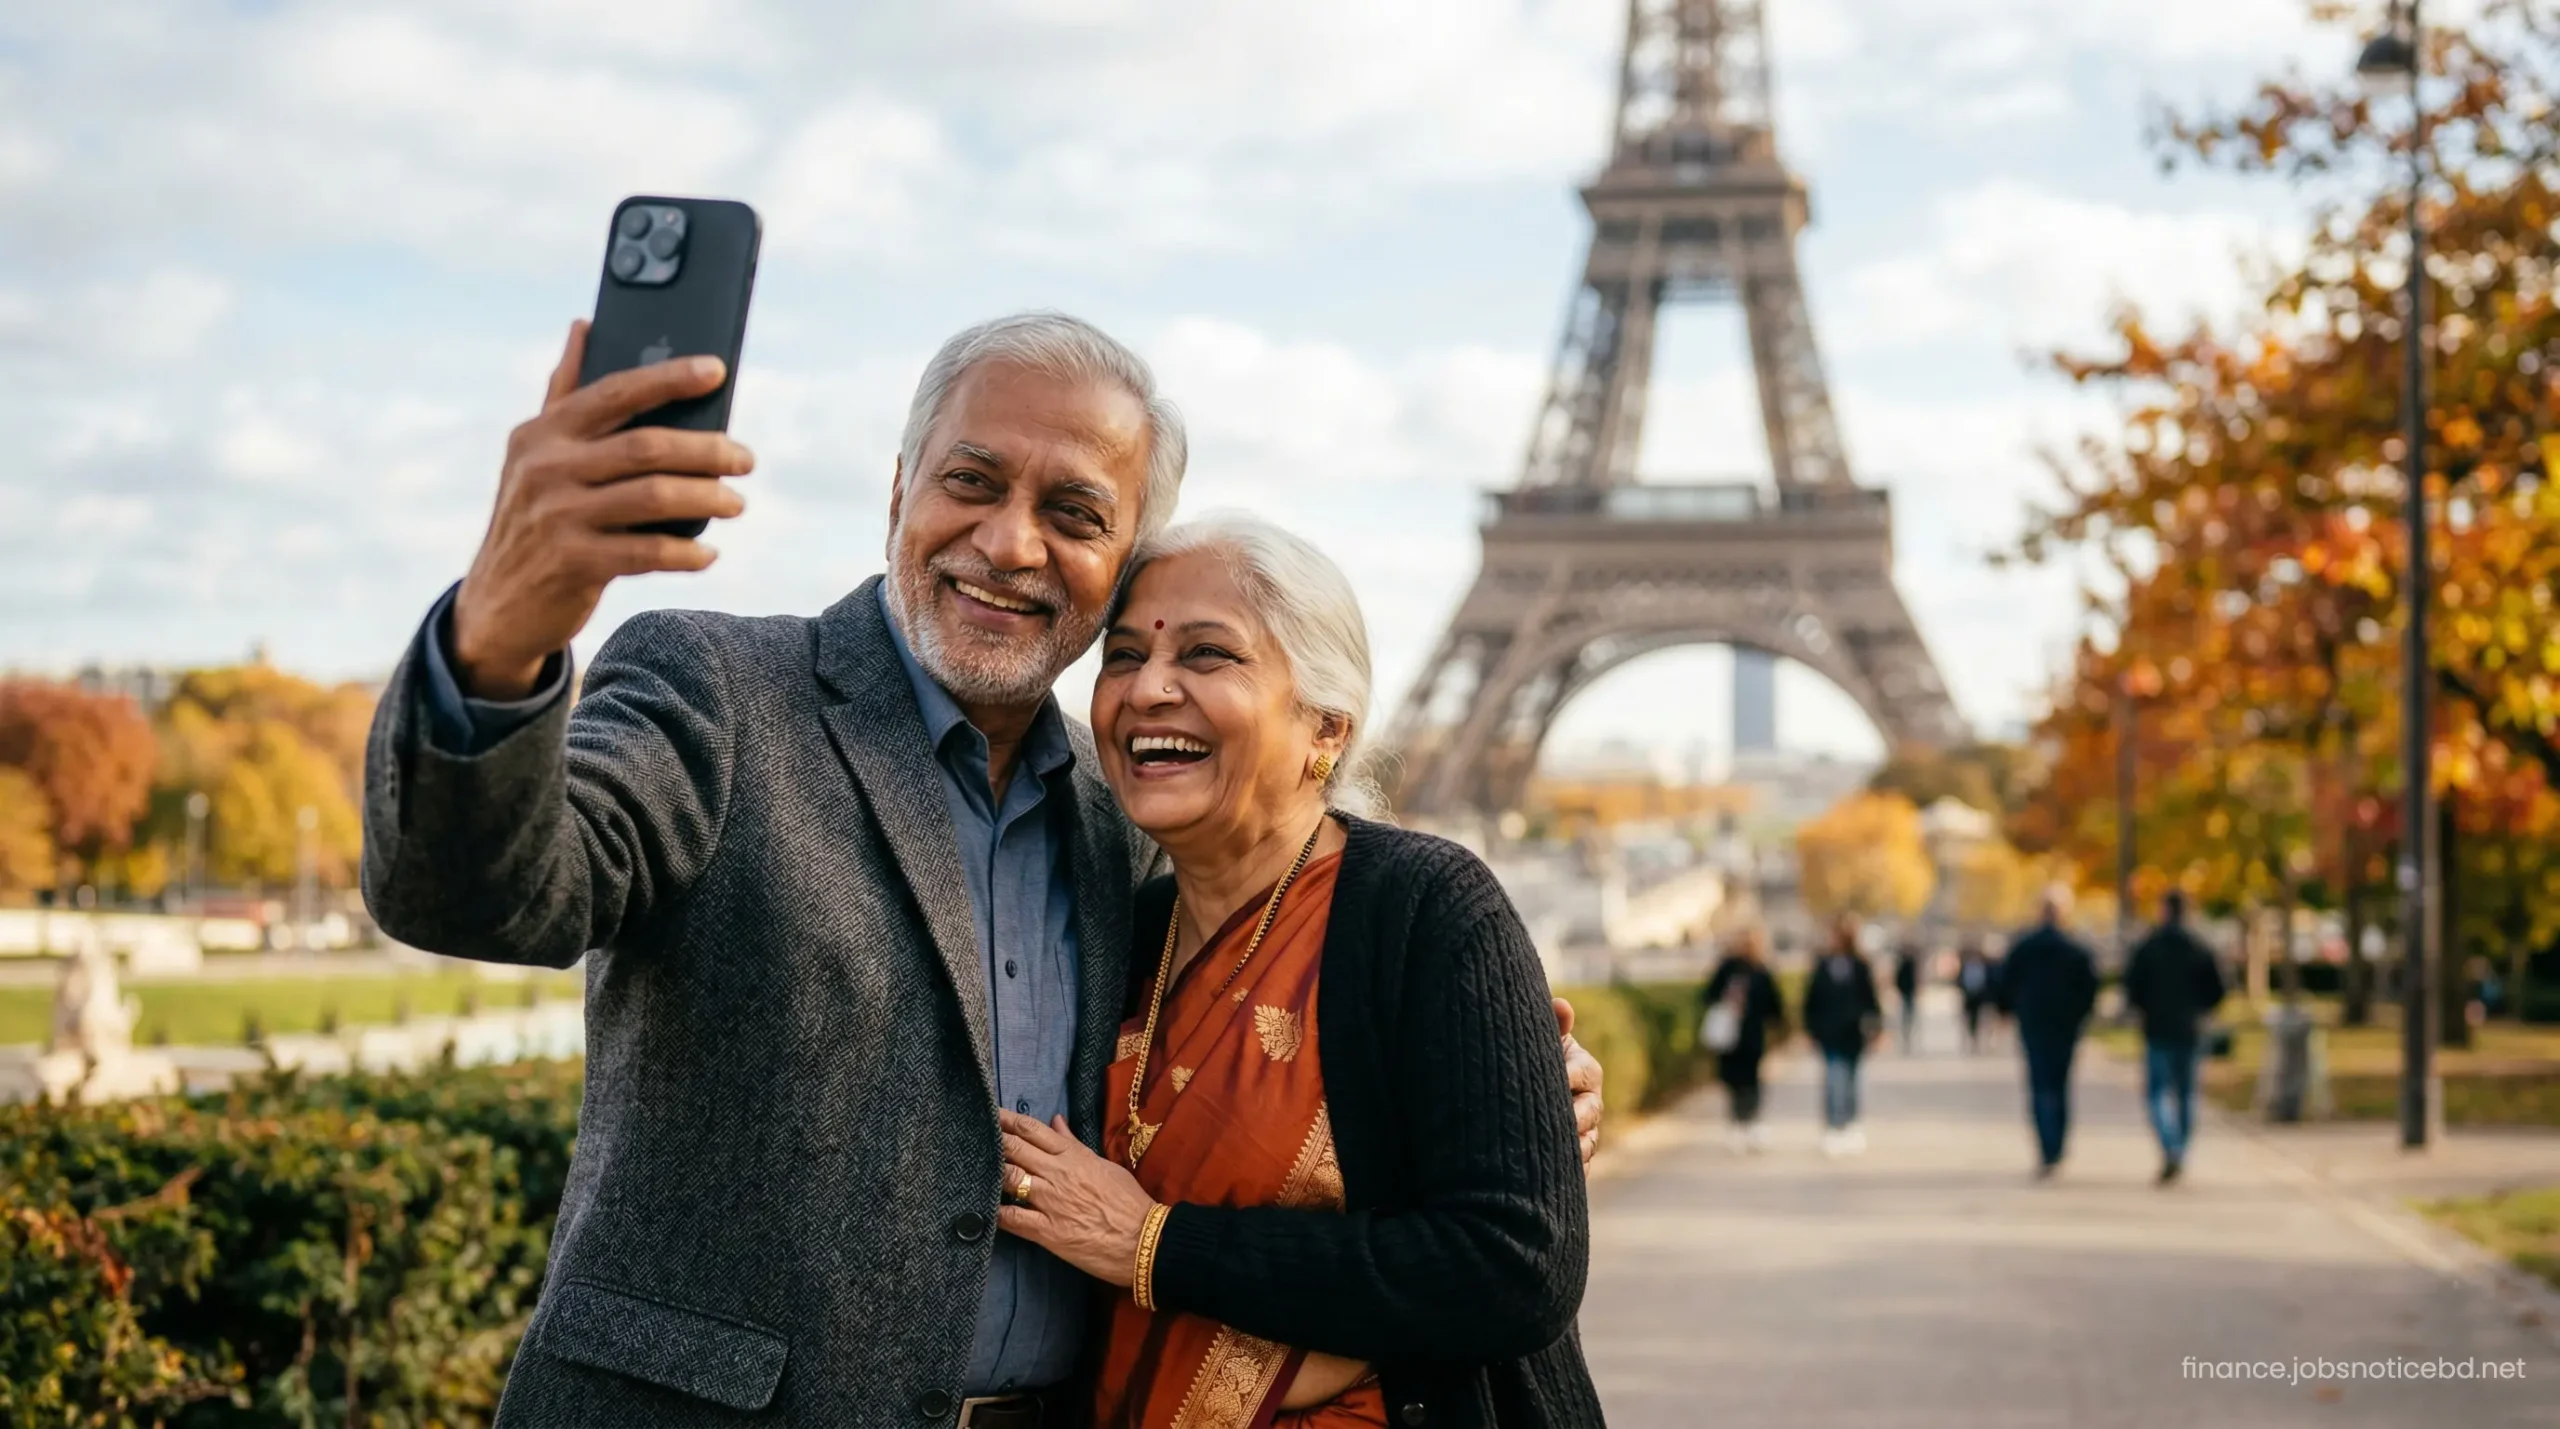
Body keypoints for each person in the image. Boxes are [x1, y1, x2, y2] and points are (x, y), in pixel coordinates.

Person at [359, 314, 1604, 1426]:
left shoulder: (1126, 820)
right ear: (899, 490)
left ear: (1121, 561)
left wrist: (1494, 1092)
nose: (1010, 543)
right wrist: (503, 632)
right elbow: (484, 895)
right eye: (971, 482)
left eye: (1074, 514)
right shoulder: (718, 692)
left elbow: (1275, 1067)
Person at [991, 515, 1602, 1426]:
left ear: (1326, 725)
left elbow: (1515, 1268)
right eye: (1124, 656)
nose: (1149, 687)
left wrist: (1154, 1243)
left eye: (1208, 653)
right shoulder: (1122, 929)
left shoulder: (1424, 909)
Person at [2120, 890, 2227, 1183]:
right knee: (2186, 1094)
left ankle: (2170, 1146)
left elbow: (2132, 986)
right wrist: (2201, 1009)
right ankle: (2179, 1148)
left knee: (2157, 1093)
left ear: (2164, 910)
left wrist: (2144, 1008)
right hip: (2189, 1029)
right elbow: (2217, 990)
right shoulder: (2199, 946)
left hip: (2157, 1028)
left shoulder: (2149, 945)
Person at [2001, 886, 2100, 1179]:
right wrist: (2079, 1015)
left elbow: (2005, 982)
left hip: (2035, 1024)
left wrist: (2013, 1009)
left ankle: (2047, 1147)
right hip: (2063, 1026)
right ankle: (2056, 1146)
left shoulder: (2025, 947)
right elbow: (2089, 989)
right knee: (2059, 1085)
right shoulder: (2074, 949)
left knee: (2040, 1085)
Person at [1700, 926, 1789, 1151]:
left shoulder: (1761, 971)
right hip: (1729, 1038)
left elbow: (1774, 1006)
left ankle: (1751, 1121)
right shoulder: (1727, 969)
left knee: (1752, 1082)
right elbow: (1708, 995)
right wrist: (1726, 1000)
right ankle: (1736, 1123)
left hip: (1752, 1036)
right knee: (1732, 1081)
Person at [1800, 916, 1882, 1156]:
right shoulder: (1822, 965)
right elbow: (1811, 1000)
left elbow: (1871, 1000)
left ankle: (1852, 1124)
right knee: (1834, 1079)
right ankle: (1834, 1126)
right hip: (1829, 1033)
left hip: (1854, 1033)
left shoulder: (1860, 966)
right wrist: (1810, 1029)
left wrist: (1877, 1029)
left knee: (1853, 1081)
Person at [1956, 939, 2000, 1053]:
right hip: (1969, 996)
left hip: (1981, 996)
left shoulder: (1984, 967)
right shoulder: (1965, 967)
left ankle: (1981, 1039)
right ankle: (1972, 1037)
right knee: (1969, 1017)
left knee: (1982, 1018)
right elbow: (1960, 981)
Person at [1891, 941, 1922, 1053]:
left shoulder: (1910, 963)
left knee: (1909, 1014)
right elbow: (1898, 978)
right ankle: (1906, 1034)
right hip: (1905, 992)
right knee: (1905, 1014)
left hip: (1909, 991)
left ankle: (1909, 1033)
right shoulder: (1902, 963)